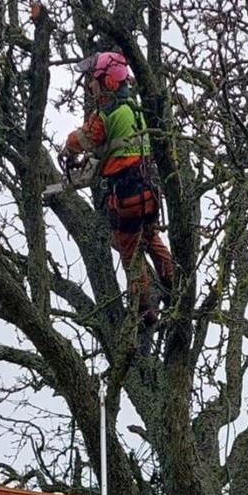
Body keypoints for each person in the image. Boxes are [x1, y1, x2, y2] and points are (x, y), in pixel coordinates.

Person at [60, 51, 174, 326]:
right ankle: (174, 284)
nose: (91, 86)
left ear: (108, 82)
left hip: (127, 194)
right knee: (151, 238)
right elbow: (112, 146)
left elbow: (84, 139)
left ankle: (144, 309)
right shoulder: (134, 109)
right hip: (149, 190)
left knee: (129, 251)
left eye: (94, 80)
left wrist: (68, 147)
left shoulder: (107, 114)